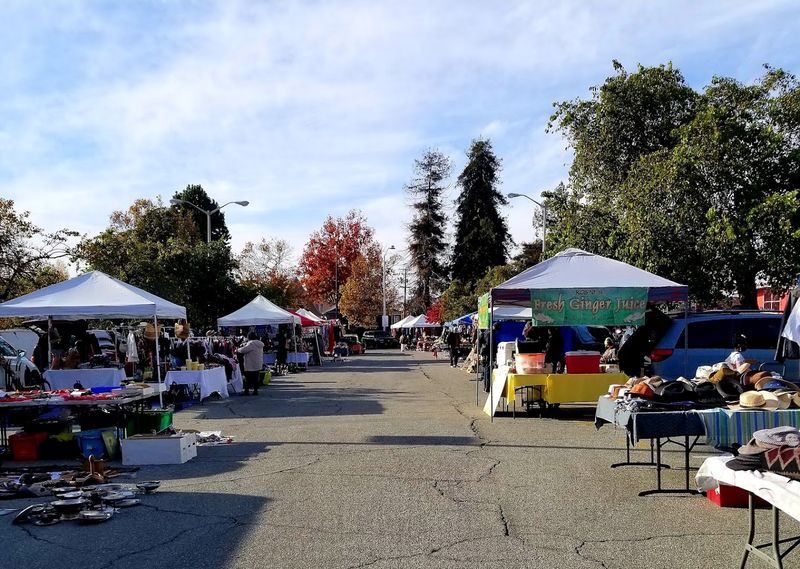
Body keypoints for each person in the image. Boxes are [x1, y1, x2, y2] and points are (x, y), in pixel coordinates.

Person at [237, 331, 264, 395]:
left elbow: (243, 350)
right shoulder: (260, 343)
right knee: (256, 377)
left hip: (250, 363)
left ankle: (246, 391)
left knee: (248, 377)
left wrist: (238, 349)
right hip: (257, 362)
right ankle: (255, 391)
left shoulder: (251, 343)